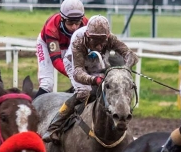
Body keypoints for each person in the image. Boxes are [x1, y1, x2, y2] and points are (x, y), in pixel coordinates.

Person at [42, 15, 139, 143]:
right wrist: (94, 80)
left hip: (96, 60)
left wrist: (125, 68)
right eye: (95, 41)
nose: (99, 46)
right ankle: (54, 127)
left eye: (102, 41)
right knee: (84, 93)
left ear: (107, 36)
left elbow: (131, 55)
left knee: (111, 86)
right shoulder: (78, 40)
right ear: (88, 36)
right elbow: (78, 72)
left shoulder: (110, 38)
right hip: (75, 64)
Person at [35, 0, 87, 96]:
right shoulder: (51, 28)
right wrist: (74, 75)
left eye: (77, 22)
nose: (75, 27)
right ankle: (34, 108)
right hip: (46, 44)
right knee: (47, 84)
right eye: (70, 23)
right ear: (62, 19)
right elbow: (56, 61)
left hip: (70, 45)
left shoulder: (87, 25)